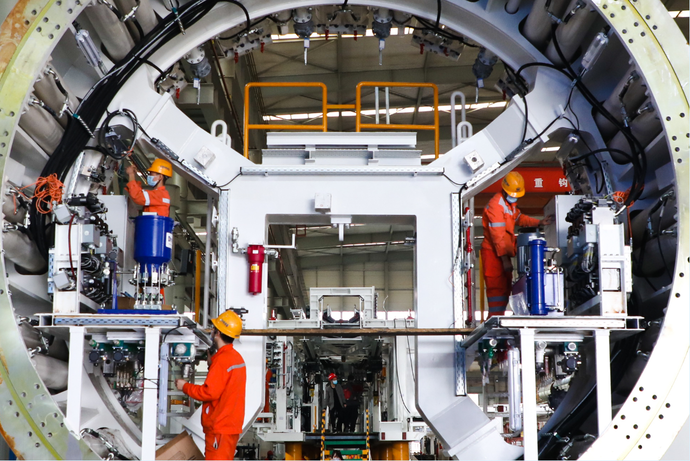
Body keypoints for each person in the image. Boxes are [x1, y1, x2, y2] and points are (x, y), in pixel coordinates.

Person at [175, 310, 246, 460]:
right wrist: (212, 364)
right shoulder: (236, 358)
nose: (212, 331)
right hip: (229, 426)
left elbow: (209, 392)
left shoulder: (222, 361)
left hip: (219, 429)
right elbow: (225, 385)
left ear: (218, 333)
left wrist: (184, 386)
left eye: (214, 329)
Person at [481, 171, 550, 317]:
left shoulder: (509, 204)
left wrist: (539, 222)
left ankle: (499, 317)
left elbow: (519, 218)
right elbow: (498, 237)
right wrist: (504, 260)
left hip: (502, 254)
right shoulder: (496, 206)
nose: (514, 197)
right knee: (497, 289)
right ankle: (495, 319)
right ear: (504, 189)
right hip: (494, 254)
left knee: (505, 288)